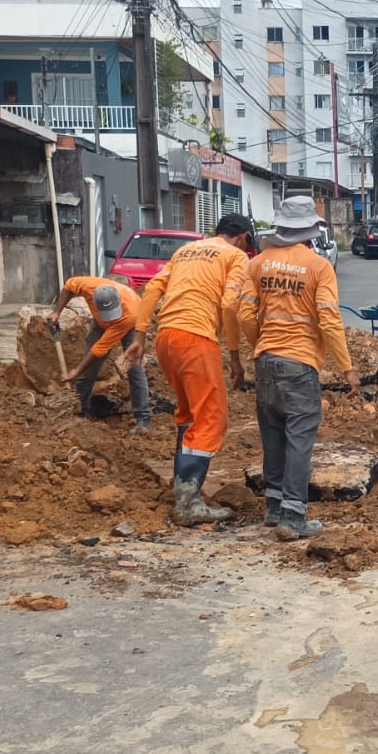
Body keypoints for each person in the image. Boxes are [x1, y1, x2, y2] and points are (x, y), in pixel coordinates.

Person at [237, 197, 361, 540]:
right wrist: (347, 368)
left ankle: (274, 509)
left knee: (273, 436)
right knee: (299, 440)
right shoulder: (319, 267)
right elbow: (330, 321)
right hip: (300, 364)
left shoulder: (258, 264)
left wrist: (261, 344)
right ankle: (293, 517)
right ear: (312, 230)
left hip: (266, 361)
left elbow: (244, 314)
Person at [128, 213, 255, 524]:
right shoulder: (236, 256)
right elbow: (228, 305)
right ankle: (187, 502)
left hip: (166, 338)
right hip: (196, 338)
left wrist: (140, 335)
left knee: (188, 412)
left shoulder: (185, 251)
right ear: (242, 237)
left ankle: (184, 488)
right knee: (212, 417)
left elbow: (153, 289)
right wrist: (235, 355)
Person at [46, 274, 151, 436]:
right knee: (88, 369)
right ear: (92, 301)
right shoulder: (86, 286)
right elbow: (68, 287)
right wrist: (56, 312)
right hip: (99, 321)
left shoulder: (126, 316)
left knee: (134, 368)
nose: (111, 318)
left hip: (131, 323)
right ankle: (80, 411)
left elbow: (99, 350)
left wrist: (76, 371)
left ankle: (143, 419)